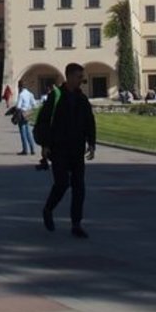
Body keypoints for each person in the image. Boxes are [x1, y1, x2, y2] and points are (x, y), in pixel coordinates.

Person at [35, 62, 96, 238]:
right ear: (69, 76)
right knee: (62, 183)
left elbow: (89, 121)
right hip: (59, 148)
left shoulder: (82, 98)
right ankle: (48, 209)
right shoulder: (56, 96)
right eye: (79, 77)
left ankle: (76, 224)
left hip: (77, 149)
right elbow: (44, 122)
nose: (81, 80)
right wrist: (45, 145)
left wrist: (91, 143)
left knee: (79, 187)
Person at [12, 82, 38, 157]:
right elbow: (34, 104)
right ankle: (32, 149)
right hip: (28, 113)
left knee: (23, 132)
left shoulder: (21, 94)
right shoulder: (30, 94)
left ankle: (25, 150)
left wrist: (14, 109)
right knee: (28, 132)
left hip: (22, 113)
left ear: (20, 87)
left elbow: (18, 106)